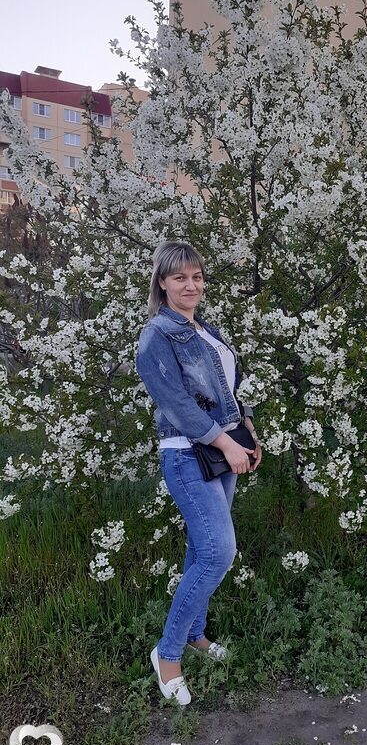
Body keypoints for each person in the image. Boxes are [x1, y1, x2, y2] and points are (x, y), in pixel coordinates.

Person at [135, 239, 262, 706]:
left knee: (199, 548)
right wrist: (226, 443)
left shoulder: (206, 330)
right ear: (162, 283)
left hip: (224, 450)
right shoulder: (157, 335)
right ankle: (167, 653)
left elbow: (231, 387)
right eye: (179, 278)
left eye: (197, 277)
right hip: (189, 454)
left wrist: (247, 431)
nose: (191, 285)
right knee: (218, 553)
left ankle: (195, 636)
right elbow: (176, 404)